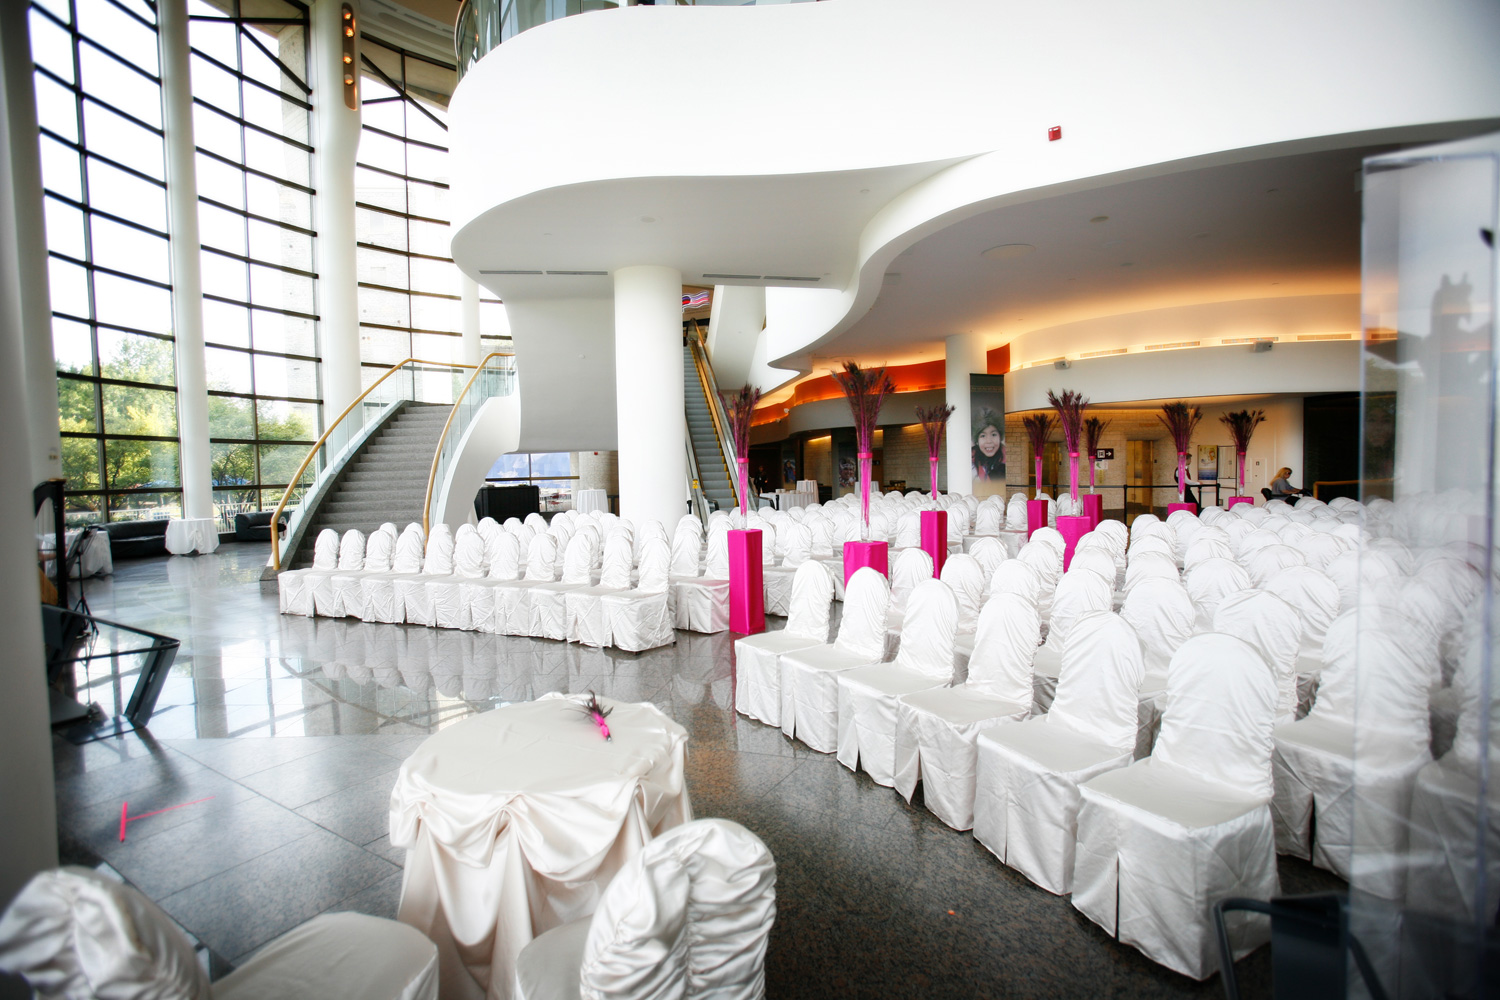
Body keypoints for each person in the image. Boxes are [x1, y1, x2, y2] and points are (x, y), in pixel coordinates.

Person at [972, 407, 1005, 481]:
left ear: (1000, 437)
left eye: (993, 434)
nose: (989, 441)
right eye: (983, 436)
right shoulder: (969, 463)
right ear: (977, 440)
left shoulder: (1006, 462)